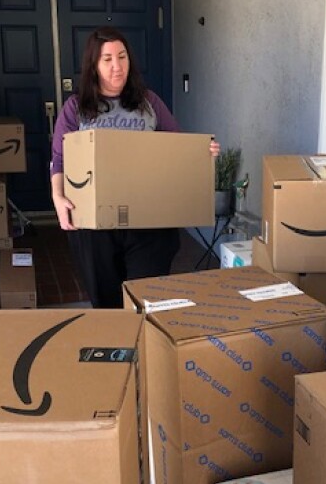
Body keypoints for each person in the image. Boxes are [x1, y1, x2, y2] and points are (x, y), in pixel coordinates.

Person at [50, 26, 219, 308]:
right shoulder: (75, 108)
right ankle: (116, 346)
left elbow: (177, 147)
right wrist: (58, 197)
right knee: (106, 301)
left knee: (146, 298)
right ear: (93, 65)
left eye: (122, 56)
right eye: (107, 59)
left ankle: (145, 347)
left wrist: (202, 153)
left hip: (148, 221)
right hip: (95, 225)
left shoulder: (149, 102)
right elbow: (60, 159)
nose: (117, 67)